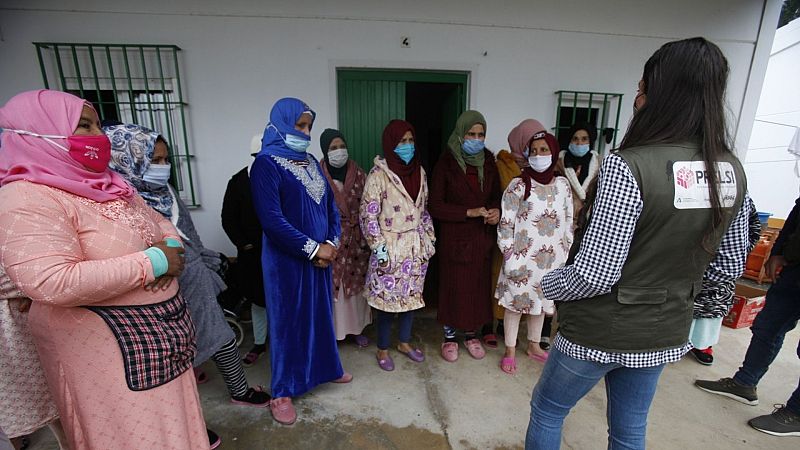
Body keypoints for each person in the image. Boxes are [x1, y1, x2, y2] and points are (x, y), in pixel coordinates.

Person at [524, 38, 751, 450]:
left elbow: (596, 273)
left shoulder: (628, 166)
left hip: (596, 331)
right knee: (629, 431)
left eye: (643, 87)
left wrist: (550, 285)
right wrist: (682, 303)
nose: (637, 96)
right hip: (663, 331)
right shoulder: (730, 170)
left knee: (548, 410)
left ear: (661, 94)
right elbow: (729, 265)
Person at [0, 89, 208, 449]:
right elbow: (50, 280)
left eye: (98, 123)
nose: (98, 134)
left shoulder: (113, 185)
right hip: (107, 357)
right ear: (37, 133)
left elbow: (159, 222)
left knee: (175, 428)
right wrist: (154, 262)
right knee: (134, 436)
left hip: (163, 339)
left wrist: (171, 248)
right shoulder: (28, 196)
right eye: (85, 125)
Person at [105, 123, 270, 408]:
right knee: (173, 352)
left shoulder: (167, 193)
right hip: (157, 290)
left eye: (165, 159)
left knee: (220, 334)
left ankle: (240, 391)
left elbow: (189, 235)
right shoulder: (120, 205)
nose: (163, 166)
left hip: (194, 277)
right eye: (154, 160)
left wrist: (204, 262)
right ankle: (187, 415)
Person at [250, 98, 351, 425]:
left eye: (309, 126)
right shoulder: (265, 164)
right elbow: (272, 220)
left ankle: (326, 368)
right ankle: (282, 390)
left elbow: (331, 209)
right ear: (282, 123)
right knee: (288, 323)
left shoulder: (308, 160)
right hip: (287, 264)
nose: (306, 133)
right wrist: (312, 248)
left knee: (320, 315)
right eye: (300, 126)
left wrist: (331, 244)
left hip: (321, 258)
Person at [695, 196, 800, 436]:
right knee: (767, 326)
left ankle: (797, 412)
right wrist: (778, 250)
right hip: (795, 269)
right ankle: (745, 382)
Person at [496, 124, 573, 375]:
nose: (539, 155)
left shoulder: (562, 185)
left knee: (541, 302)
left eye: (544, 149)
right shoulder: (519, 185)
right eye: (534, 150)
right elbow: (506, 222)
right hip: (521, 258)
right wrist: (509, 254)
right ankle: (509, 349)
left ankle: (534, 345)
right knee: (515, 304)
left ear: (553, 152)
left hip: (552, 260)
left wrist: (566, 251)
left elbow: (569, 219)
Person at [360, 119, 436, 371]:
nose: (407, 145)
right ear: (391, 144)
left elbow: (424, 211)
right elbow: (368, 216)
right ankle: (382, 348)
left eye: (410, 140)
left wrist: (429, 241)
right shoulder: (378, 176)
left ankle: (404, 342)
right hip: (390, 248)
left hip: (415, 248)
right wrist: (381, 250)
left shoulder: (420, 172)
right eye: (402, 141)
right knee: (386, 303)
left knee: (411, 300)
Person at [429, 110, 501, 362]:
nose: (476, 138)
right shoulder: (446, 163)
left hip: (481, 236)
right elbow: (435, 205)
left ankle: (471, 334)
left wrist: (496, 211)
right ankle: (449, 337)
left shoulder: (489, 161)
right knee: (454, 287)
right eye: (471, 134)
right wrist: (467, 211)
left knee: (476, 288)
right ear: (461, 134)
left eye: (481, 134)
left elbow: (495, 195)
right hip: (455, 236)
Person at [0, 266, 67, 450]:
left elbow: (42, 275)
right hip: (16, 344)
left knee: (64, 415)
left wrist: (34, 288)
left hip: (29, 333)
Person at [689, 196, 760, 365]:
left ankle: (702, 345)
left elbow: (751, 228)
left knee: (708, 310)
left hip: (716, 266)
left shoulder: (735, 191)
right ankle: (675, 344)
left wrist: (715, 273)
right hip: (682, 263)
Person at [489, 120, 543, 342]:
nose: (536, 148)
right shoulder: (502, 164)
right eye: (532, 141)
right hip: (507, 235)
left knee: (530, 283)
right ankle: (498, 324)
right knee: (503, 280)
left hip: (535, 237)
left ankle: (524, 329)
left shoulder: (543, 168)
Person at [319, 128, 372, 346]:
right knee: (334, 290)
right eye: (333, 148)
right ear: (325, 150)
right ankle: (334, 333)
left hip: (357, 240)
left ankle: (356, 330)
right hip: (331, 240)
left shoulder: (360, 174)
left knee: (355, 290)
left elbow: (369, 205)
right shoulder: (318, 176)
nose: (339, 151)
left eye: (341, 146)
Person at [222, 134, 269, 367]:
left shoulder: (281, 179)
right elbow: (228, 218)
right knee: (259, 301)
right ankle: (260, 343)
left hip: (279, 254)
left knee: (282, 299)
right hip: (252, 256)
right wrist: (244, 244)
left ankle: (283, 342)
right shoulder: (239, 182)